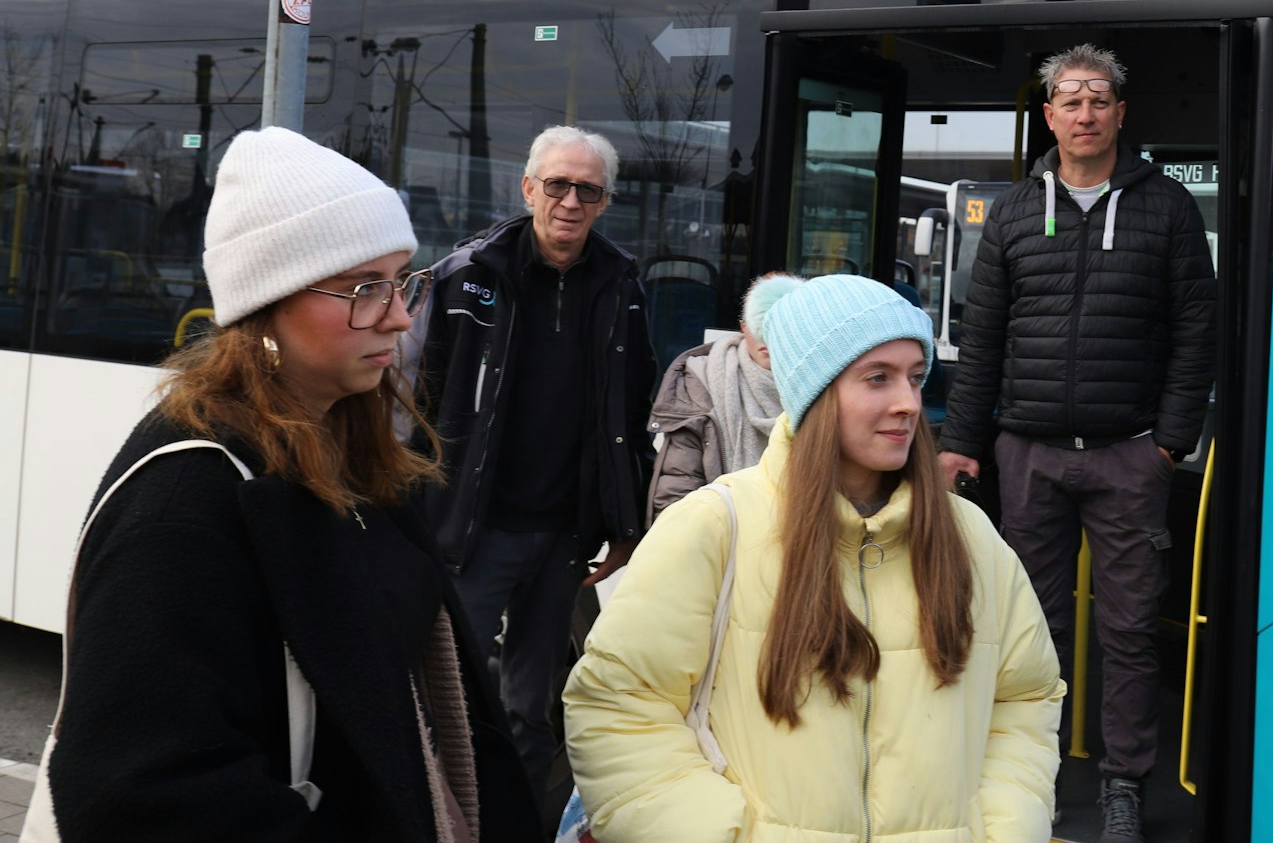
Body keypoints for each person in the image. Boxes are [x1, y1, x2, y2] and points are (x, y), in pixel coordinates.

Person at [42, 128, 538, 840]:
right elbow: (141, 795)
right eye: (365, 287)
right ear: (268, 302)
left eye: (403, 280)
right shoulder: (185, 502)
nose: (400, 315)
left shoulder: (349, 444)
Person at [564, 274, 1065, 841]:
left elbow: (1026, 699)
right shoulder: (713, 527)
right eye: (877, 378)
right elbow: (619, 710)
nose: (908, 403)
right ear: (814, 391)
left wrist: (1001, 831)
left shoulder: (970, 536)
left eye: (915, 377)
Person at [938, 43, 1215, 842]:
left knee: (1129, 629)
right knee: (1032, 627)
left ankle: (1124, 784)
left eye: (1099, 100)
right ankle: (1037, 775)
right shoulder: (1019, 213)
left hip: (1130, 453)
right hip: (1029, 453)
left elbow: (1198, 331)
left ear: (1120, 114)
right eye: (1070, 100)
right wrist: (962, 441)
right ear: (1049, 115)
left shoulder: (1166, 208)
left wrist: (1169, 440)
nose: (1085, 113)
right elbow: (982, 333)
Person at [416, 125, 657, 801]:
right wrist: (414, 515)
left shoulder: (622, 288)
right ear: (528, 189)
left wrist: (625, 525)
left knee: (532, 710)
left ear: (605, 201)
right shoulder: (468, 275)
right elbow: (420, 405)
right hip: (473, 530)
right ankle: (438, 817)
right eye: (557, 185)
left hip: (561, 540)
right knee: (450, 696)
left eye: (588, 189)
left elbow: (630, 415)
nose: (570, 201)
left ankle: (511, 826)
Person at [645, 271, 804, 519]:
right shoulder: (703, 381)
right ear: (743, 326)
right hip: (719, 537)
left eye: (784, 325)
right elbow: (679, 485)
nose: (768, 338)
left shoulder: (827, 390)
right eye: (757, 322)